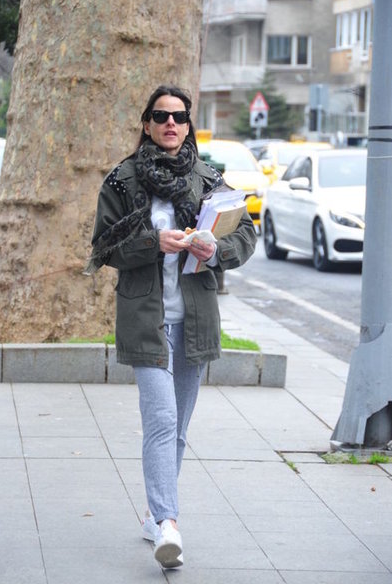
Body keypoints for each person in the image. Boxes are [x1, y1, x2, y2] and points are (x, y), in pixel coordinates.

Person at [86, 85, 256, 569]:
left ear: (188, 125)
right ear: (147, 124)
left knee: (177, 428)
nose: (171, 124)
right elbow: (103, 248)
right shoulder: (122, 180)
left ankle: (153, 517)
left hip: (194, 321)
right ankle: (168, 524)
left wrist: (214, 249)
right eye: (161, 116)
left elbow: (245, 234)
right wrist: (152, 242)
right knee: (161, 421)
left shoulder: (209, 179)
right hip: (146, 321)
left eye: (179, 117)